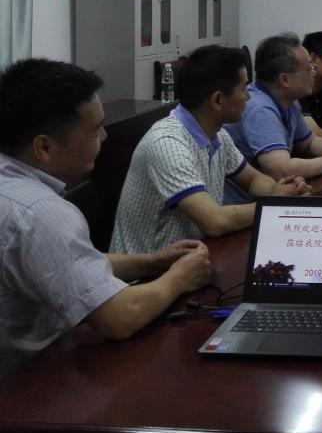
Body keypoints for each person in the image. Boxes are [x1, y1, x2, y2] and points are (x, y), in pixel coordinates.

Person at [0, 59, 210, 378]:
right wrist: (181, 277)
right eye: (94, 130)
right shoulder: (41, 213)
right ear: (44, 147)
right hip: (26, 385)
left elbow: (58, 262)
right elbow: (119, 318)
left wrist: (151, 262)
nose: (105, 137)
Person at [110, 46, 312, 255]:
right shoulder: (168, 144)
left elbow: (253, 180)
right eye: (243, 89)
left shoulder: (217, 134)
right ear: (218, 100)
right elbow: (214, 221)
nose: (248, 97)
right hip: (149, 270)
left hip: (193, 257)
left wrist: (280, 191)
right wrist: (272, 204)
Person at [225, 33, 322, 182]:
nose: (313, 72)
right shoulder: (260, 109)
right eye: (308, 69)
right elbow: (281, 170)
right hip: (247, 195)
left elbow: (308, 143)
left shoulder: (288, 100)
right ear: (285, 79)